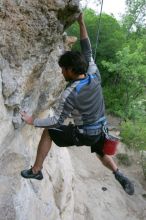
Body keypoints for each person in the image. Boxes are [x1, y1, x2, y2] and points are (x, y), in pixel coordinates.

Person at [20, 13, 134, 195]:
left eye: (63, 70)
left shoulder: (70, 93)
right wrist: (81, 22)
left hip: (85, 134)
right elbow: (87, 48)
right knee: (100, 152)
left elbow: (56, 121)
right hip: (101, 129)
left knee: (49, 131)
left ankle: (36, 171)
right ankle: (118, 173)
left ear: (71, 70)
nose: (62, 73)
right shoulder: (94, 74)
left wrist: (32, 120)